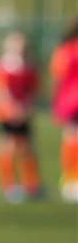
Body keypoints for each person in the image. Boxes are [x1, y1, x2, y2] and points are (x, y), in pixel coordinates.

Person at [0, 30, 43, 201]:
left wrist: (26, 108)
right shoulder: (2, 67)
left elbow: (33, 91)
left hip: (23, 114)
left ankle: (32, 184)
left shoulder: (28, 68)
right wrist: (10, 108)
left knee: (27, 149)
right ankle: (9, 185)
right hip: (7, 114)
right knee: (7, 147)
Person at [50, 16, 78, 202]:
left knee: (71, 138)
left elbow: (57, 75)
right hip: (72, 100)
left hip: (69, 100)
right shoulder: (67, 50)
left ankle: (71, 179)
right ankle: (72, 179)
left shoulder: (65, 50)